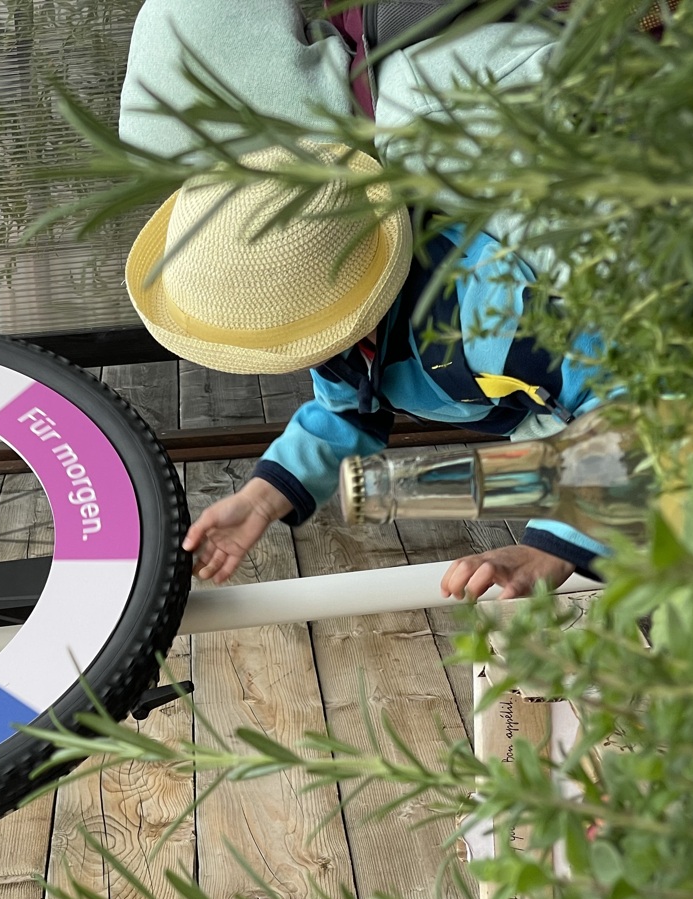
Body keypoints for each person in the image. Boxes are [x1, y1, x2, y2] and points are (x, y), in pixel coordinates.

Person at [119, 0, 608, 600]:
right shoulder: (355, 326)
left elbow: (633, 399)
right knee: (378, 489)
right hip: (540, 424)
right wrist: (259, 499)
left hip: (648, 408)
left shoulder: (483, 319)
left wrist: (549, 548)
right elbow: (344, 412)